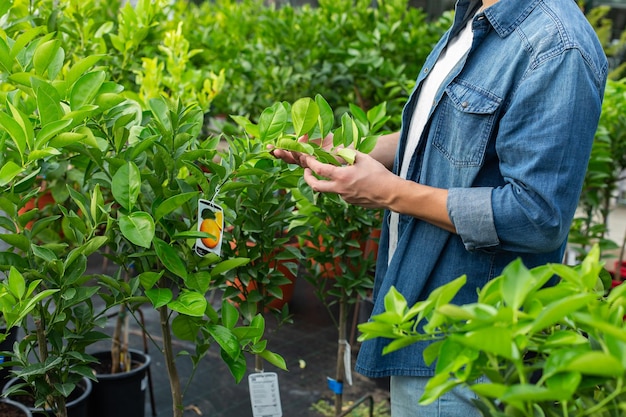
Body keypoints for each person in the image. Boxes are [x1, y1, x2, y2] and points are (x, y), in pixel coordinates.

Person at [273, 0, 608, 415]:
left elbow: (536, 215)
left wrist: (390, 192)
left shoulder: (556, 47)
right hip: (418, 314)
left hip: (468, 348)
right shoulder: (475, 16)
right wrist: (349, 152)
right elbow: (445, 135)